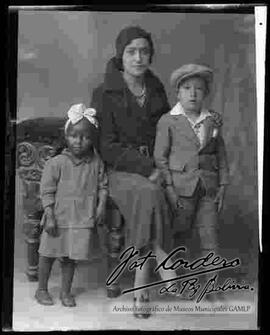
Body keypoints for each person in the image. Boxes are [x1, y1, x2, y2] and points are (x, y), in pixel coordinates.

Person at [91, 26, 176, 318]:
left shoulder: (156, 89)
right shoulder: (104, 93)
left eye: (144, 51)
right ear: (120, 54)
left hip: (154, 165)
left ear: (150, 55)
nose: (138, 58)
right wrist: (146, 168)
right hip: (119, 170)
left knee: (151, 194)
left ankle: (144, 280)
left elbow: (167, 132)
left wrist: (163, 165)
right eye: (131, 51)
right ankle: (151, 273)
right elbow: (107, 146)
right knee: (149, 192)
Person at [154, 64, 230, 302]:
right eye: (187, 88)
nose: (193, 93)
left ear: (205, 93)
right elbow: (160, 157)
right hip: (180, 189)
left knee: (210, 237)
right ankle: (180, 282)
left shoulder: (212, 121)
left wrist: (223, 185)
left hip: (208, 188)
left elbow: (221, 155)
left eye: (198, 89)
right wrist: (168, 187)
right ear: (178, 93)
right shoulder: (169, 121)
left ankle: (212, 287)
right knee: (180, 238)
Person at [34, 103, 108, 307]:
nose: (79, 141)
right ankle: (41, 289)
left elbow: (103, 186)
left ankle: (66, 292)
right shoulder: (57, 162)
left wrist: (101, 206)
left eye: (85, 137)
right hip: (57, 217)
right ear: (66, 137)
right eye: (74, 136)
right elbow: (46, 191)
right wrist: (49, 215)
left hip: (82, 218)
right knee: (47, 254)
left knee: (70, 257)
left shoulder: (96, 163)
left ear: (92, 140)